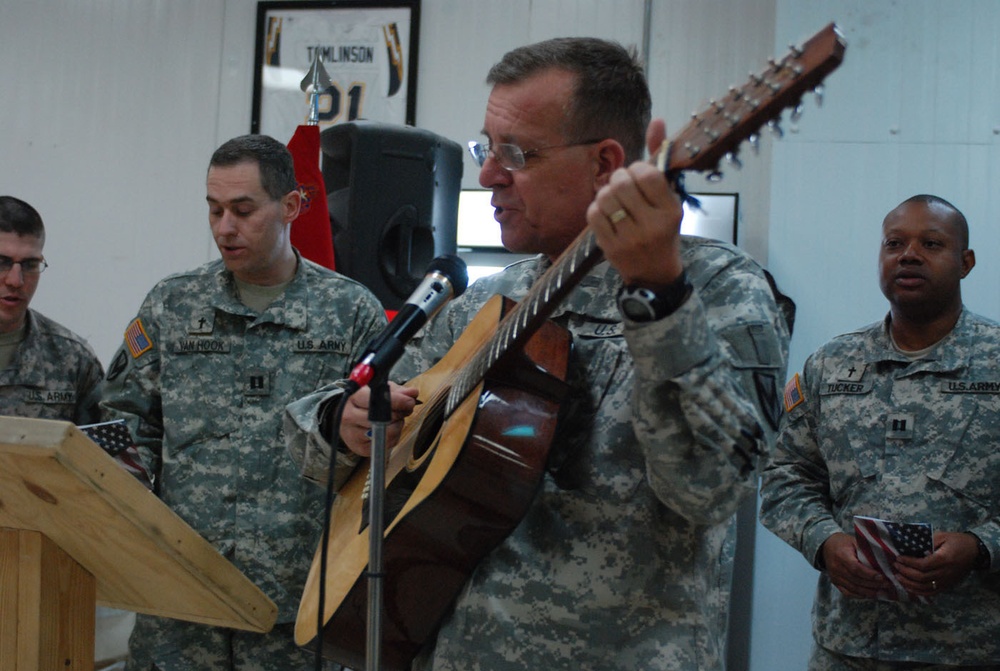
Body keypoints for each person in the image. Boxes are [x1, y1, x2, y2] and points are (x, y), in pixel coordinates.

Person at [285, 38, 790, 670]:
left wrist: (659, 296)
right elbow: (312, 423)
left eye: (516, 153)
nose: (489, 174)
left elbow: (711, 489)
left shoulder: (720, 289)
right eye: (485, 148)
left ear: (606, 162)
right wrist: (347, 421)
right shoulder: (486, 303)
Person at [100, 134, 388, 670]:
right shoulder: (174, 304)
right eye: (214, 210)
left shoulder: (350, 313)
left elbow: (382, 451)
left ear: (293, 206)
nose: (224, 228)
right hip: (182, 599)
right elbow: (124, 421)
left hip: (299, 600)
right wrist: (140, 534)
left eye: (243, 210)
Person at [759, 194, 999, 669]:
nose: (908, 254)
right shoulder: (831, 364)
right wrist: (824, 542)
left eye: (931, 243)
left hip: (973, 648)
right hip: (848, 648)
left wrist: (981, 546)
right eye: (894, 243)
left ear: (965, 262)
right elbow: (784, 475)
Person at [0, 195, 103, 423]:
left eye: (29, 265)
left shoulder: (71, 359)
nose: (15, 280)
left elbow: (100, 453)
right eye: (2, 262)